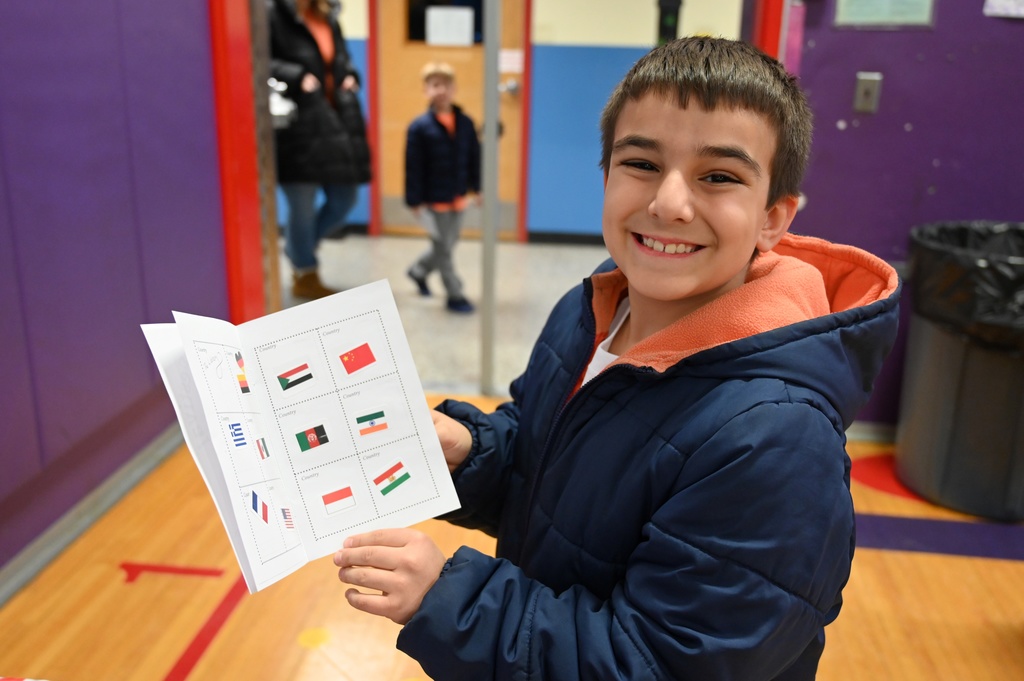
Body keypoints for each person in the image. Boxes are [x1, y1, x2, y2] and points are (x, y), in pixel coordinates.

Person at [334, 37, 901, 680]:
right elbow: (559, 465)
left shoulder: (776, 441)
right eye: (641, 163)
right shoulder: (600, 303)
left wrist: (448, 598)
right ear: (606, 176)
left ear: (773, 217)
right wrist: (473, 448)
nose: (669, 203)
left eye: (719, 176)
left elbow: (655, 664)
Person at [268, 0, 371, 299]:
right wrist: (296, 75)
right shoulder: (272, 15)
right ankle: (305, 271)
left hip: (334, 121)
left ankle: (298, 249)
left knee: (344, 198)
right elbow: (259, 60)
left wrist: (350, 74)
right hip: (296, 126)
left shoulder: (328, 16)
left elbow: (341, 58)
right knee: (302, 206)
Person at [404, 62, 481, 313]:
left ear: (454, 89)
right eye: (434, 85)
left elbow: (474, 158)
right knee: (443, 251)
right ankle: (454, 293)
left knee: (448, 244)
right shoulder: (419, 127)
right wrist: (414, 201)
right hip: (432, 201)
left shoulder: (466, 123)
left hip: (457, 198)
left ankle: (418, 271)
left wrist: (478, 188)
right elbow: (413, 166)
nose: (440, 90)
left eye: (445, 85)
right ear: (426, 90)